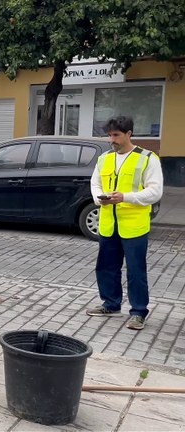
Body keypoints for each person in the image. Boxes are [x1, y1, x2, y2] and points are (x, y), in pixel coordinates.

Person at [86, 116, 163, 330]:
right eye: (109, 135)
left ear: (129, 134)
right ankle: (110, 304)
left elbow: (155, 192)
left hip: (134, 226)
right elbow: (95, 184)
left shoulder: (147, 158)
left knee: (136, 271)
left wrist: (125, 197)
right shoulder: (104, 158)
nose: (112, 140)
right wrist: (99, 198)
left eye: (116, 135)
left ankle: (138, 312)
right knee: (106, 267)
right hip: (108, 224)